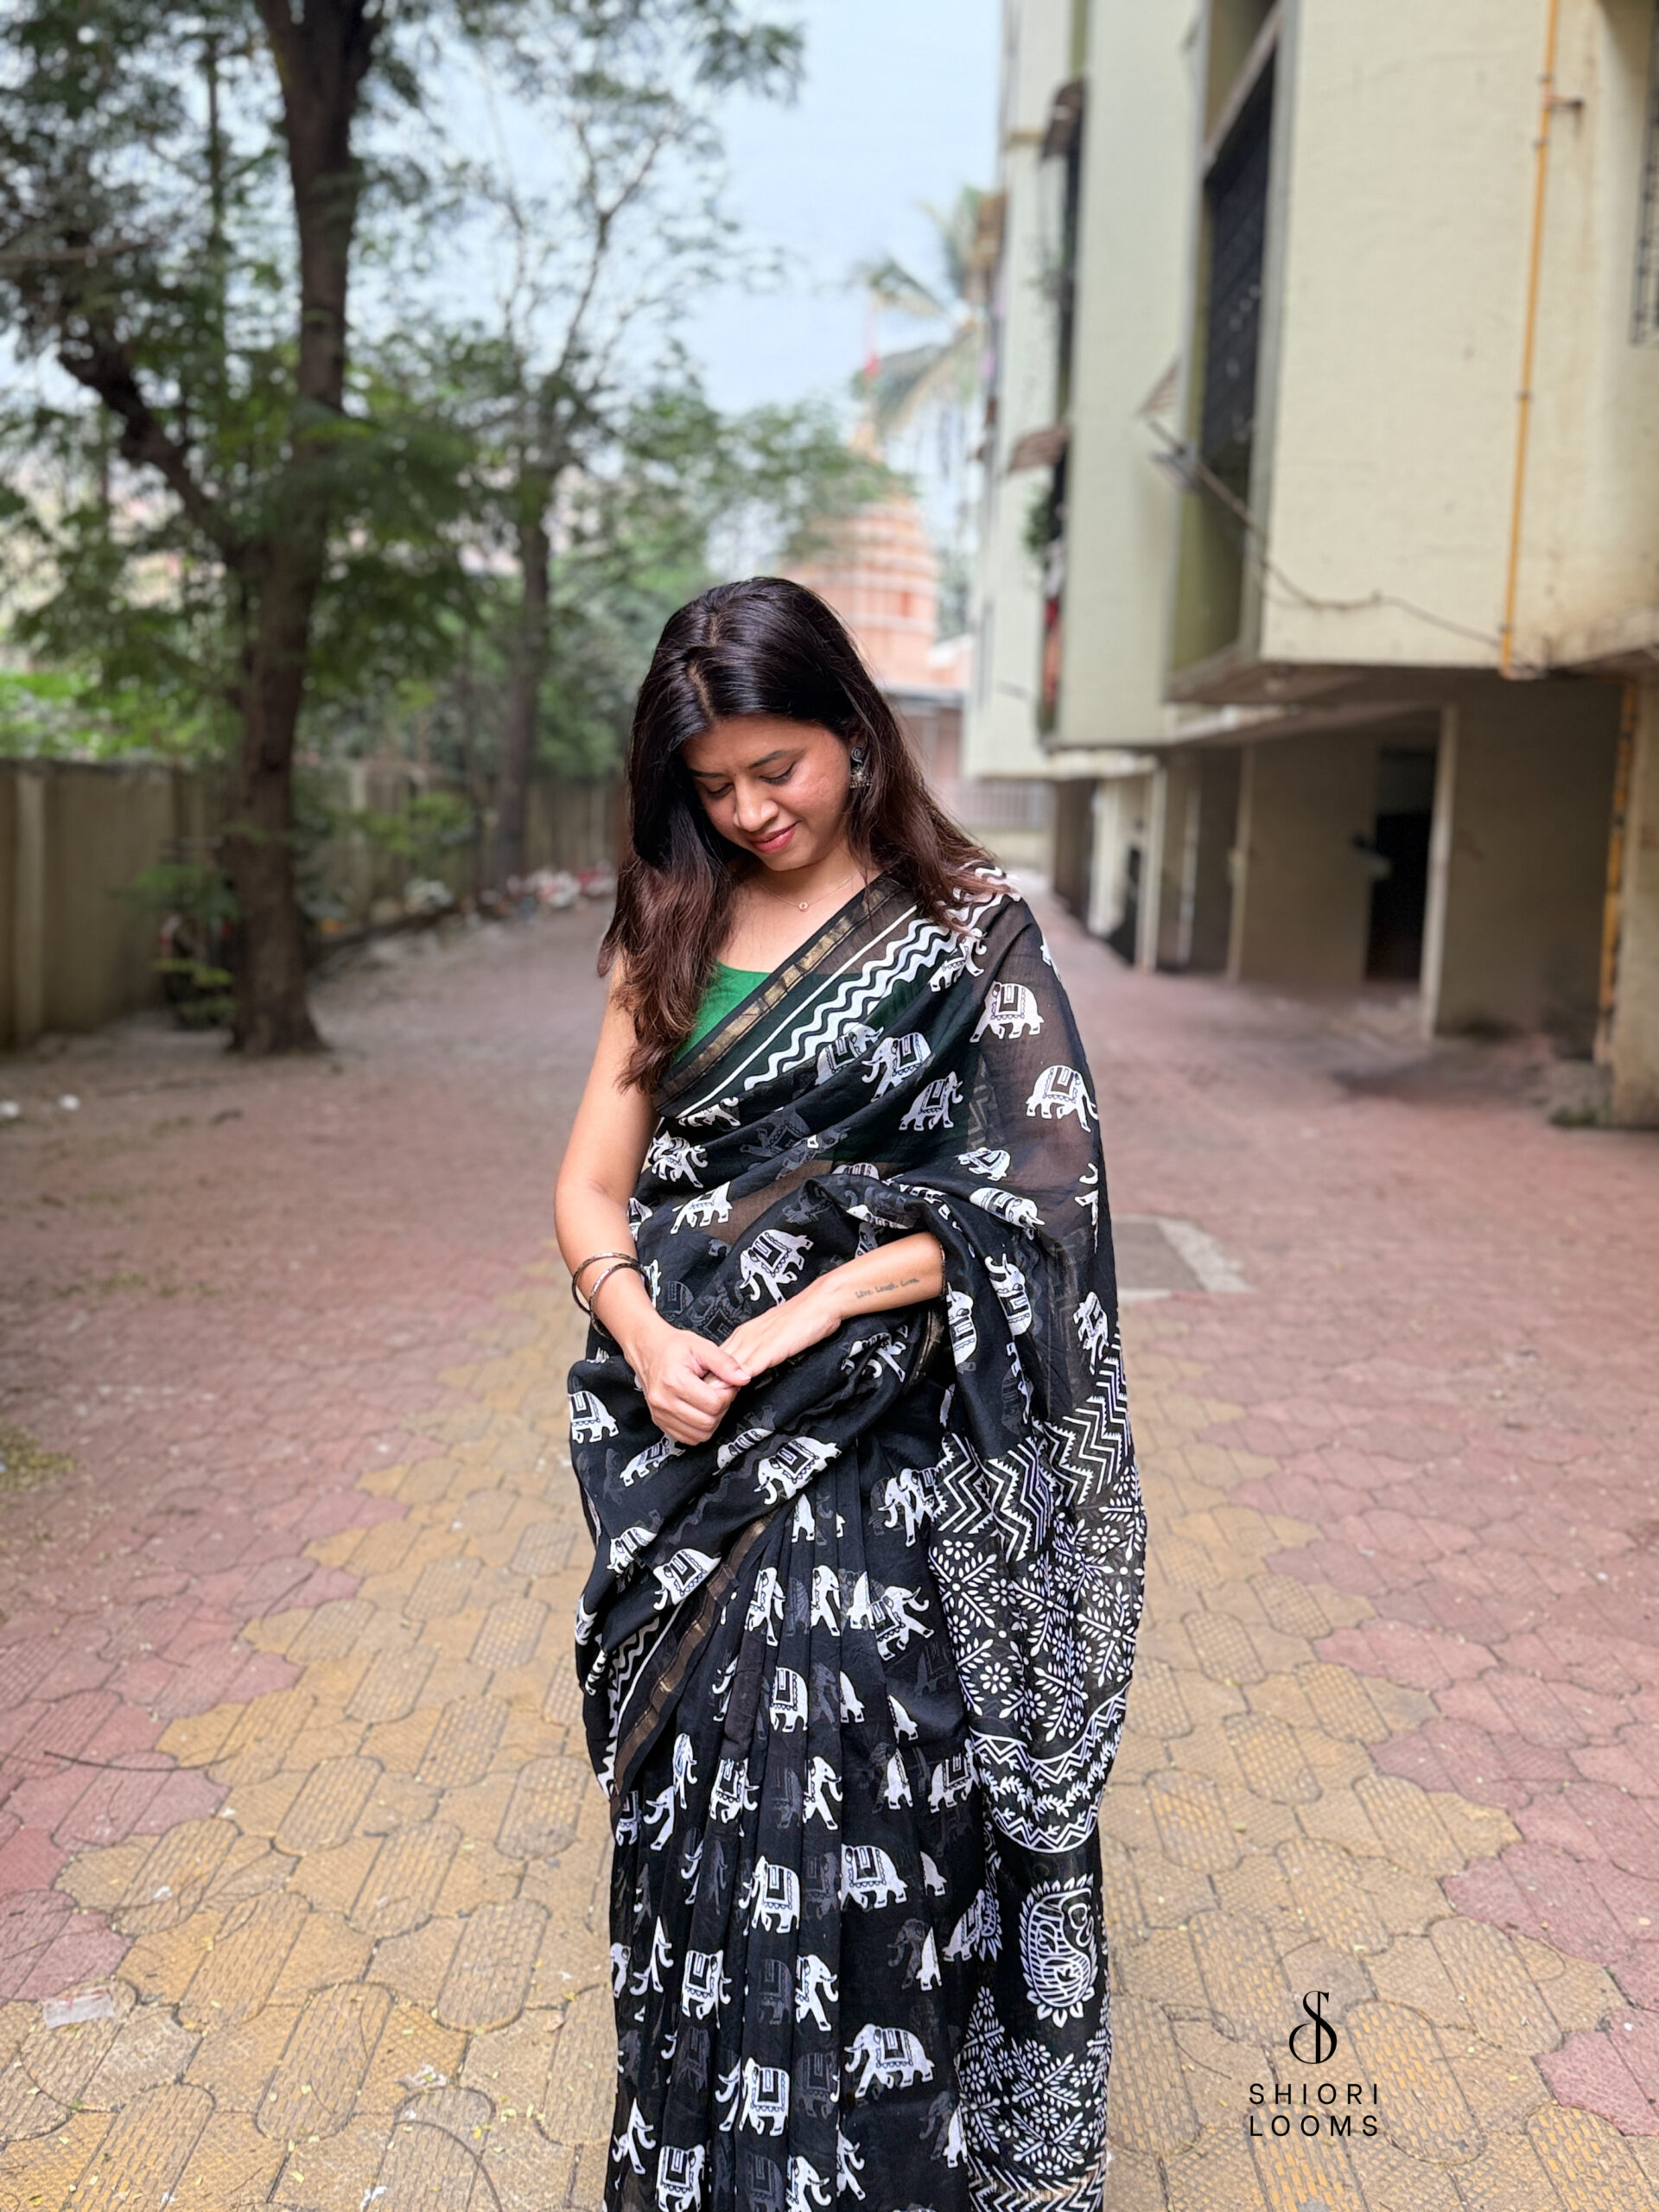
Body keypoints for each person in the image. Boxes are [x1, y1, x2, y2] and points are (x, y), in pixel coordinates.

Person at [556, 576, 1145, 2212]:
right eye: (716, 787)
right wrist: (640, 1326)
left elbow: (1043, 1203)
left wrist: (819, 1297)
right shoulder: (663, 934)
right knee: (700, 1815)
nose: (752, 814)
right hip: (700, 1455)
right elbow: (593, 1191)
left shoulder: (970, 934)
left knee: (884, 1808)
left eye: (782, 770)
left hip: (893, 1454)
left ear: (857, 733)